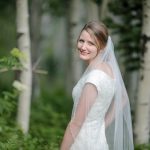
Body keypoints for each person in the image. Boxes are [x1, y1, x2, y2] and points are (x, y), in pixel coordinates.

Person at [60, 21, 134, 150]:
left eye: (91, 43)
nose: (83, 46)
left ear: (103, 47)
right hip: (98, 141)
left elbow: (76, 124)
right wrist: (101, 124)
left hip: (82, 143)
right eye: (81, 40)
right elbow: (123, 98)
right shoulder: (109, 69)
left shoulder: (93, 78)